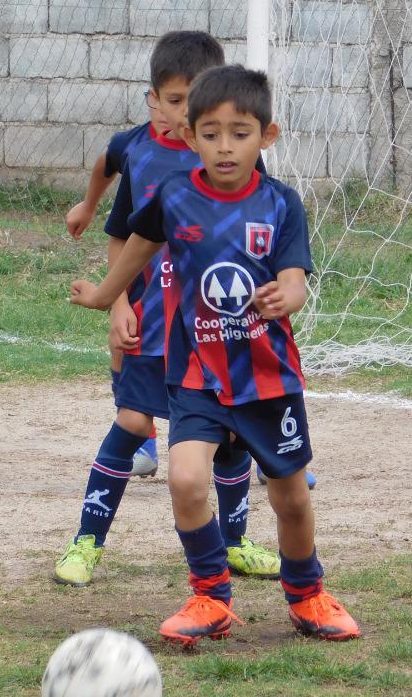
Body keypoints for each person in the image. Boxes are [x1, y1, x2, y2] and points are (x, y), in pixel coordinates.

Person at [71, 64, 360, 645]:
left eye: (240, 132)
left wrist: (291, 293)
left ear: (267, 136)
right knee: (185, 481)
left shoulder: (282, 204)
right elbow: (139, 244)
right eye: (210, 133)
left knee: (291, 498)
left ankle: (307, 595)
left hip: (267, 379)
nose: (225, 146)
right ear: (188, 136)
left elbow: (296, 276)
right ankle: (210, 597)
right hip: (198, 375)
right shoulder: (174, 197)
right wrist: (108, 296)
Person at [55, 33, 281, 587]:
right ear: (157, 101)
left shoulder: (245, 172)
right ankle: (87, 540)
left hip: (217, 336)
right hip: (154, 327)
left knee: (229, 440)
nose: (188, 115)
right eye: (178, 101)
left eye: (196, 101)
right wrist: (118, 307)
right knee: (132, 422)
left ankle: (233, 542)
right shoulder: (142, 157)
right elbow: (126, 238)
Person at [64, 98, 174, 479]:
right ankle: (141, 438)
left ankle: (270, 456)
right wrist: (89, 205)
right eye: (166, 101)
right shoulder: (133, 146)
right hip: (145, 272)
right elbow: (105, 168)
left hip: (202, 280)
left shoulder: (218, 153)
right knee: (125, 340)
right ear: (152, 99)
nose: (170, 113)